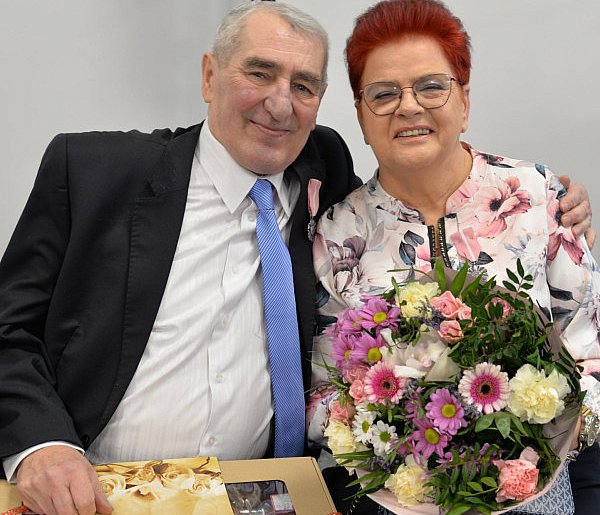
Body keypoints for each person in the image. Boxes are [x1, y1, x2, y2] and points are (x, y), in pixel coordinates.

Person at [0, 1, 590, 515]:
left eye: (304, 86)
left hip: (264, 495)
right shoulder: (98, 173)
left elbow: (586, 345)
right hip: (95, 490)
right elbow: (8, 329)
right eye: (259, 73)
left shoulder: (334, 180)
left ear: (464, 99)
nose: (280, 104)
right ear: (209, 76)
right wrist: (39, 445)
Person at [308, 1, 600, 514]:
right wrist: (392, 445)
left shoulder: (536, 196)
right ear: (360, 116)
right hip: (393, 499)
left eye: (431, 87)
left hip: (534, 491)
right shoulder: (337, 234)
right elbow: (322, 392)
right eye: (383, 94)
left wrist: (546, 436)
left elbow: (589, 349)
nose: (408, 107)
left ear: (464, 101)